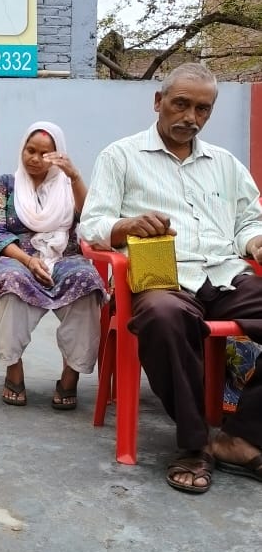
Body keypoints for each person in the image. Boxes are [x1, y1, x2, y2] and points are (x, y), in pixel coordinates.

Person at [78, 64, 262, 495]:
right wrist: (125, 226)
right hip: (163, 278)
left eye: (203, 109)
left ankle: (241, 435)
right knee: (162, 316)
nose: (191, 117)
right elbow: (91, 225)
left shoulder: (226, 164)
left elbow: (248, 221)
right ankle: (194, 444)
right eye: (181, 104)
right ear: (158, 102)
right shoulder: (121, 156)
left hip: (225, 274)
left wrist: (255, 242)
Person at [0, 122, 107, 410]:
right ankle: (13, 368)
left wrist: (74, 176)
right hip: (18, 256)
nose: (35, 158)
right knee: (12, 281)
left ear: (57, 156)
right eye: (30, 150)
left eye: (44, 154)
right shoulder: (5, 184)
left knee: (87, 281)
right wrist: (28, 260)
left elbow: (90, 219)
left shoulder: (67, 185)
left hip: (64, 256)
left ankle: (71, 375)